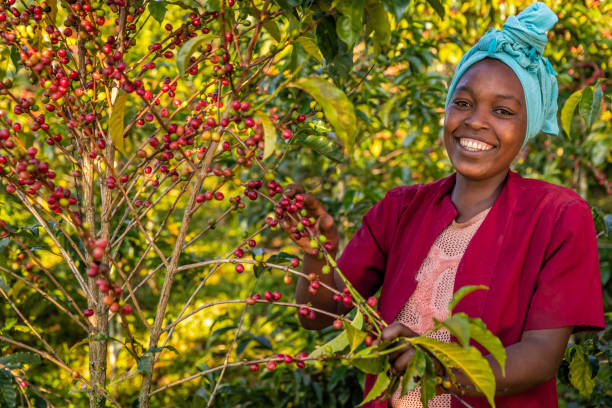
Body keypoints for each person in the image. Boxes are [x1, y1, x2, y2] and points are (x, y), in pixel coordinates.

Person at [281, 2, 604, 408]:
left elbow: (541, 356)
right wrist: (317, 254)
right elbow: (317, 316)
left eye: (502, 111)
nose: (476, 121)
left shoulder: (557, 216)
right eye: (463, 103)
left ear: (527, 128)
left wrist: (440, 367)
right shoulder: (399, 209)